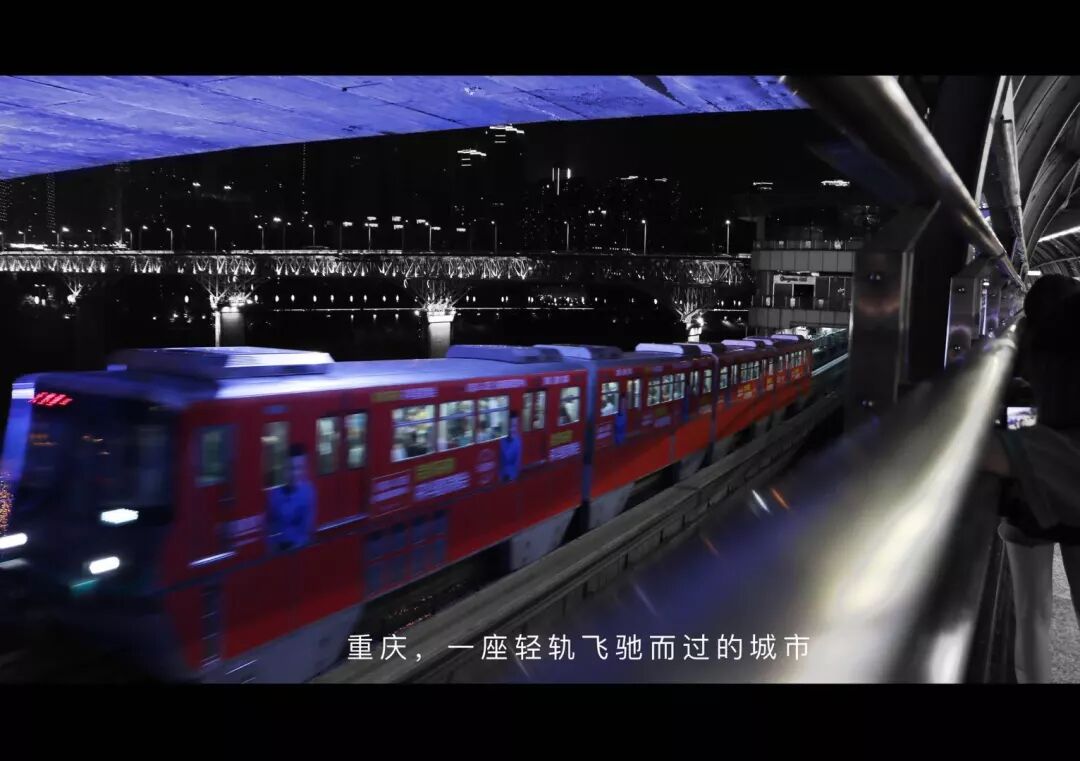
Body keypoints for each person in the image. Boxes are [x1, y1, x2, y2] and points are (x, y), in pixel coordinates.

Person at [980, 274, 1080, 683]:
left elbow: (1000, 440)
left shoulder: (1024, 357)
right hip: (1068, 499)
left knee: (1032, 613)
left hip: (1027, 504)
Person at [268, 443, 317, 552]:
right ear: (284, 469)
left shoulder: (308, 492)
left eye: (299, 468)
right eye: (290, 468)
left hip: (299, 550)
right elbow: (269, 526)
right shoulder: (275, 493)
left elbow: (307, 529)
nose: (295, 474)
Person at [499, 411, 522, 482]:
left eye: (515, 426)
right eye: (511, 426)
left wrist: (510, 476)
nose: (513, 429)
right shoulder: (501, 440)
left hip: (511, 477)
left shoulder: (518, 441)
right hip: (501, 477)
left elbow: (517, 463)